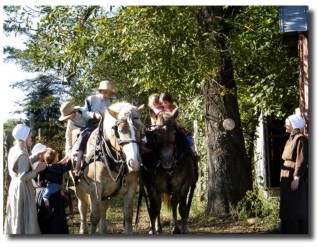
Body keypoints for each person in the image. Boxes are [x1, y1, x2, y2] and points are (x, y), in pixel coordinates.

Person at [4, 124, 47, 234]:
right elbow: (23, 176)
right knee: (25, 217)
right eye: (30, 136)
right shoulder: (22, 153)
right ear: (24, 137)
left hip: (15, 186)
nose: (31, 138)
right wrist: (38, 170)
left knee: (17, 216)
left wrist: (37, 156)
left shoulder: (15, 149)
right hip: (23, 189)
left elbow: (24, 163)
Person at [73, 80, 115, 175]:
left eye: (108, 94)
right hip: (92, 122)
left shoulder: (108, 101)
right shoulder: (91, 99)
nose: (106, 95)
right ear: (99, 91)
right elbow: (84, 112)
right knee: (84, 134)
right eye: (105, 93)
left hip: (104, 123)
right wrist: (94, 115)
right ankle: (78, 162)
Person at [280, 113, 308, 234]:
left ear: (293, 124)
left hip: (293, 178)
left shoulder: (300, 139)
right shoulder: (291, 138)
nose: (285, 124)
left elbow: (300, 160)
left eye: (287, 122)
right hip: (286, 177)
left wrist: (296, 178)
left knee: (295, 207)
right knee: (287, 207)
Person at [159, 92, 200, 161]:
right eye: (162, 103)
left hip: (175, 126)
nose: (164, 104)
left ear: (169, 102)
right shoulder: (161, 111)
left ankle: (194, 152)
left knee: (187, 137)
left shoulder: (173, 108)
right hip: (165, 128)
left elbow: (175, 117)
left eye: (166, 102)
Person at [59, 101, 88, 176]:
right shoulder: (70, 122)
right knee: (73, 153)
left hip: (91, 132)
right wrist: (69, 149)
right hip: (79, 137)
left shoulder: (83, 112)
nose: (67, 119)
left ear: (72, 113)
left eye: (67, 117)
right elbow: (68, 135)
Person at [39, 148, 72, 214]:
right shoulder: (59, 166)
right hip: (59, 186)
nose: (58, 157)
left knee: (45, 196)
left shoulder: (46, 167)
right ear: (55, 159)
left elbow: (41, 173)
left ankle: (47, 205)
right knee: (59, 190)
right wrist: (69, 160)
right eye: (57, 157)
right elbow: (68, 167)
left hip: (51, 186)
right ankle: (63, 196)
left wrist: (40, 180)